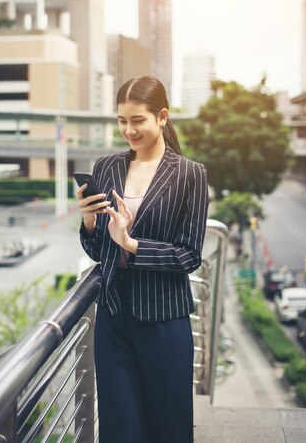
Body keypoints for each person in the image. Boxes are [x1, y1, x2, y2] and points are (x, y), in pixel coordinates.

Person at [77, 76, 209, 443]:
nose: (128, 130)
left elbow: (189, 256)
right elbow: (97, 251)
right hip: (113, 320)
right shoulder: (106, 167)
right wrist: (90, 222)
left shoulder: (190, 174)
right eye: (122, 120)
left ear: (162, 117)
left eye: (138, 120)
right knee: (120, 429)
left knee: (169, 428)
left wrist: (132, 244)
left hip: (164, 320)